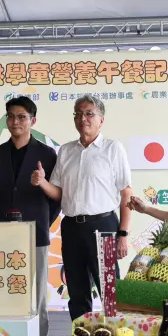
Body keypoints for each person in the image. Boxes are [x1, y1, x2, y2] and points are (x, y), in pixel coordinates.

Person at [32, 94, 132, 322]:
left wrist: (123, 234)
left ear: (101, 120)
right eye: (77, 114)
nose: (82, 118)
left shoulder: (113, 149)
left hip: (104, 226)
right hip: (72, 228)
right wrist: (42, 182)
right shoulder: (66, 150)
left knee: (110, 290)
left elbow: (126, 193)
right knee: (76, 291)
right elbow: (58, 192)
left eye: (89, 113)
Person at [0, 96, 60, 336]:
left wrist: (41, 221)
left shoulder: (47, 155)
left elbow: (56, 198)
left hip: (35, 236)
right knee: (4, 297)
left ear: (33, 121)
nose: (15, 121)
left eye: (22, 117)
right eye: (11, 116)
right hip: (1, 237)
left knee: (37, 299)